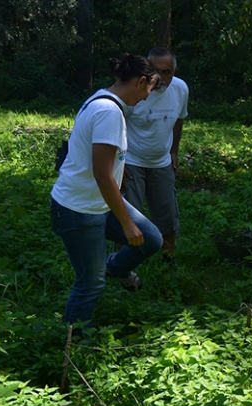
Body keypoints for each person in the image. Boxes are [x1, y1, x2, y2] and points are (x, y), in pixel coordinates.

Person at [50, 54, 163, 328]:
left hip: (99, 203)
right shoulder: (109, 112)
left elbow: (104, 164)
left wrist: (119, 179)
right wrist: (126, 223)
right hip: (79, 210)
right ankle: (75, 345)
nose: (148, 97)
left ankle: (116, 267)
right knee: (90, 283)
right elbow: (101, 173)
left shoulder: (103, 100)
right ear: (141, 82)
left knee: (151, 238)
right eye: (150, 89)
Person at [123, 46, 189, 265]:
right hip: (131, 161)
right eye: (155, 70)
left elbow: (179, 119)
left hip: (161, 162)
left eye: (167, 72)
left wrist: (174, 151)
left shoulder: (180, 90)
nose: (160, 77)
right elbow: (117, 123)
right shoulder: (134, 90)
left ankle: (167, 262)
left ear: (174, 71)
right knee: (128, 217)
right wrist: (118, 161)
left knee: (167, 216)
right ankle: (124, 266)